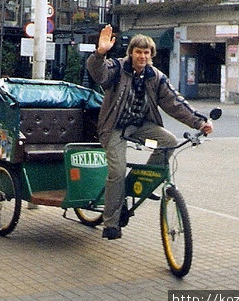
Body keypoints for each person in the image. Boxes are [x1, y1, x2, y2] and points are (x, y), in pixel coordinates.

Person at [86, 24, 214, 240]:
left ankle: (143, 179)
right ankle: (111, 223)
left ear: (151, 55)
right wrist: (100, 53)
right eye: (138, 52)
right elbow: (99, 74)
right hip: (115, 126)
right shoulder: (117, 69)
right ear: (131, 53)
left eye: (146, 52)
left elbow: (175, 102)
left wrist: (200, 123)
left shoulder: (155, 76)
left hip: (139, 125)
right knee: (117, 171)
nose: (142, 56)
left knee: (169, 141)